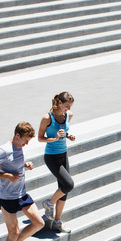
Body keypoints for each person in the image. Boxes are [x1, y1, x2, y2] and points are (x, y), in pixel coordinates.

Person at [38, 91, 76, 233]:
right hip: (52, 156)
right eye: (67, 106)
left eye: (70, 106)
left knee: (64, 190)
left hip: (63, 154)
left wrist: (68, 136)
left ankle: (57, 222)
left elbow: (63, 131)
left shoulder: (68, 115)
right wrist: (54, 138)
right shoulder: (47, 117)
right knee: (69, 184)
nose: (68, 109)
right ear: (59, 103)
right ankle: (49, 203)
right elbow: (40, 138)